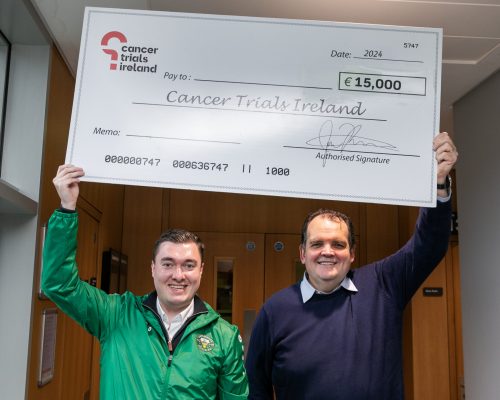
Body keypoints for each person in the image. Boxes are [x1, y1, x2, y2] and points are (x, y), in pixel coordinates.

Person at [245, 132, 458, 400]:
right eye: (317, 244)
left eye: (338, 244)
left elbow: (429, 244)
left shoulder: (383, 286)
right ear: (302, 253)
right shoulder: (275, 310)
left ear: (352, 253)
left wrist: (439, 184)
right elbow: (255, 387)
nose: (327, 252)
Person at [42, 164, 249, 400]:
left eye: (189, 265)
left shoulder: (224, 336)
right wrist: (67, 208)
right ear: (153, 268)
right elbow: (59, 284)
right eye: (168, 264)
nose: (178, 275)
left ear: (201, 270)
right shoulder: (115, 315)